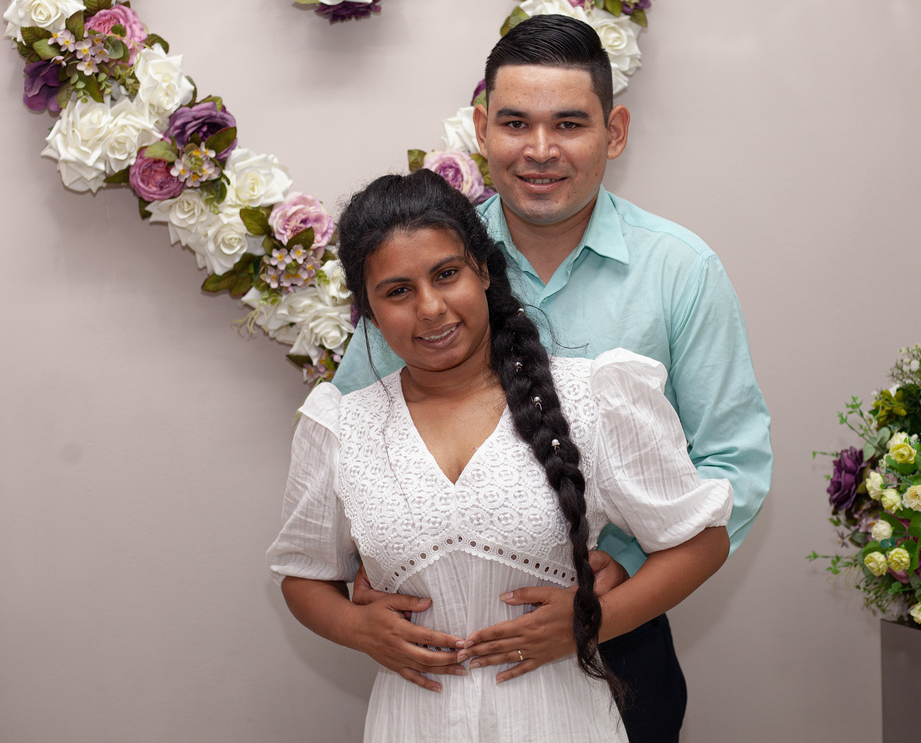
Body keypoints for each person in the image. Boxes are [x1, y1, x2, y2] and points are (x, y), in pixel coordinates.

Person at [332, 14, 773, 741]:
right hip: (448, 654)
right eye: (515, 123)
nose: (540, 150)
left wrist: (619, 577)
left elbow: (733, 463)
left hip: (621, 637)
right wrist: (360, 571)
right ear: (482, 130)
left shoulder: (679, 271)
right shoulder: (428, 265)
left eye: (569, 123)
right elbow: (353, 431)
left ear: (614, 132)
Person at [267, 170, 732, 742]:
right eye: (398, 291)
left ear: (484, 270)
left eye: (446, 274)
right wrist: (354, 627)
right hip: (413, 723)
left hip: (559, 721)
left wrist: (589, 622)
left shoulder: (593, 398)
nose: (430, 308)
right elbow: (304, 575)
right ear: (368, 308)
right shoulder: (341, 426)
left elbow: (701, 542)